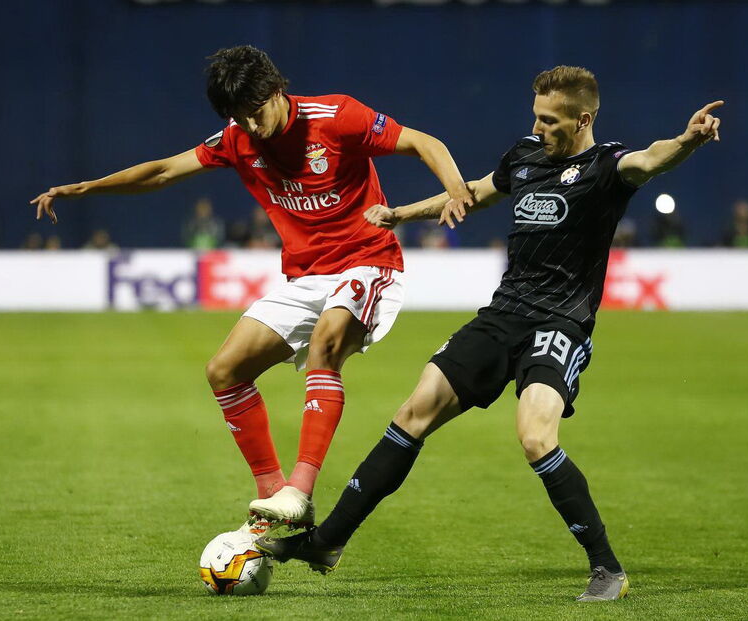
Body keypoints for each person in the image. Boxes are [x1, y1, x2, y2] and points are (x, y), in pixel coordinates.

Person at [256, 66, 723, 602]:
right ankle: (327, 542)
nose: (539, 128)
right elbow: (474, 193)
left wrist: (687, 140)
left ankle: (607, 569)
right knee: (413, 413)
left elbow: (650, 158)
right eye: (536, 117)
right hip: (503, 315)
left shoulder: (605, 166)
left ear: (583, 119)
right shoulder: (524, 156)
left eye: (550, 121)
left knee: (535, 437)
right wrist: (401, 214)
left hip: (559, 323)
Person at [30, 45, 473, 529]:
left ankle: (300, 492)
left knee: (328, 342)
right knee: (224, 370)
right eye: (239, 117)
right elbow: (162, 172)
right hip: (307, 276)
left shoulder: (337, 116)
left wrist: (454, 188)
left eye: (256, 112)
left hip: (369, 262)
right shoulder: (237, 137)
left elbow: (424, 142)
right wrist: (85, 188)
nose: (252, 127)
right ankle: (272, 495)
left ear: (277, 90)